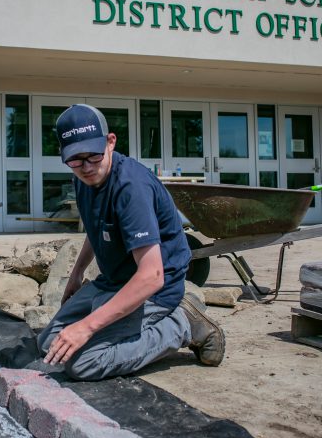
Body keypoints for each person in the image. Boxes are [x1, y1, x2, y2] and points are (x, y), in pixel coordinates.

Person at [38, 104, 225, 380]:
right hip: (115, 281)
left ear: (110, 141)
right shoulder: (84, 179)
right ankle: (115, 318)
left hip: (154, 288)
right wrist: (76, 274)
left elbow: (151, 277)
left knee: (82, 362)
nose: (86, 167)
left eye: (93, 156)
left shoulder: (130, 188)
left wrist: (87, 326)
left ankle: (182, 324)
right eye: (76, 160)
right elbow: (96, 225)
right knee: (49, 345)